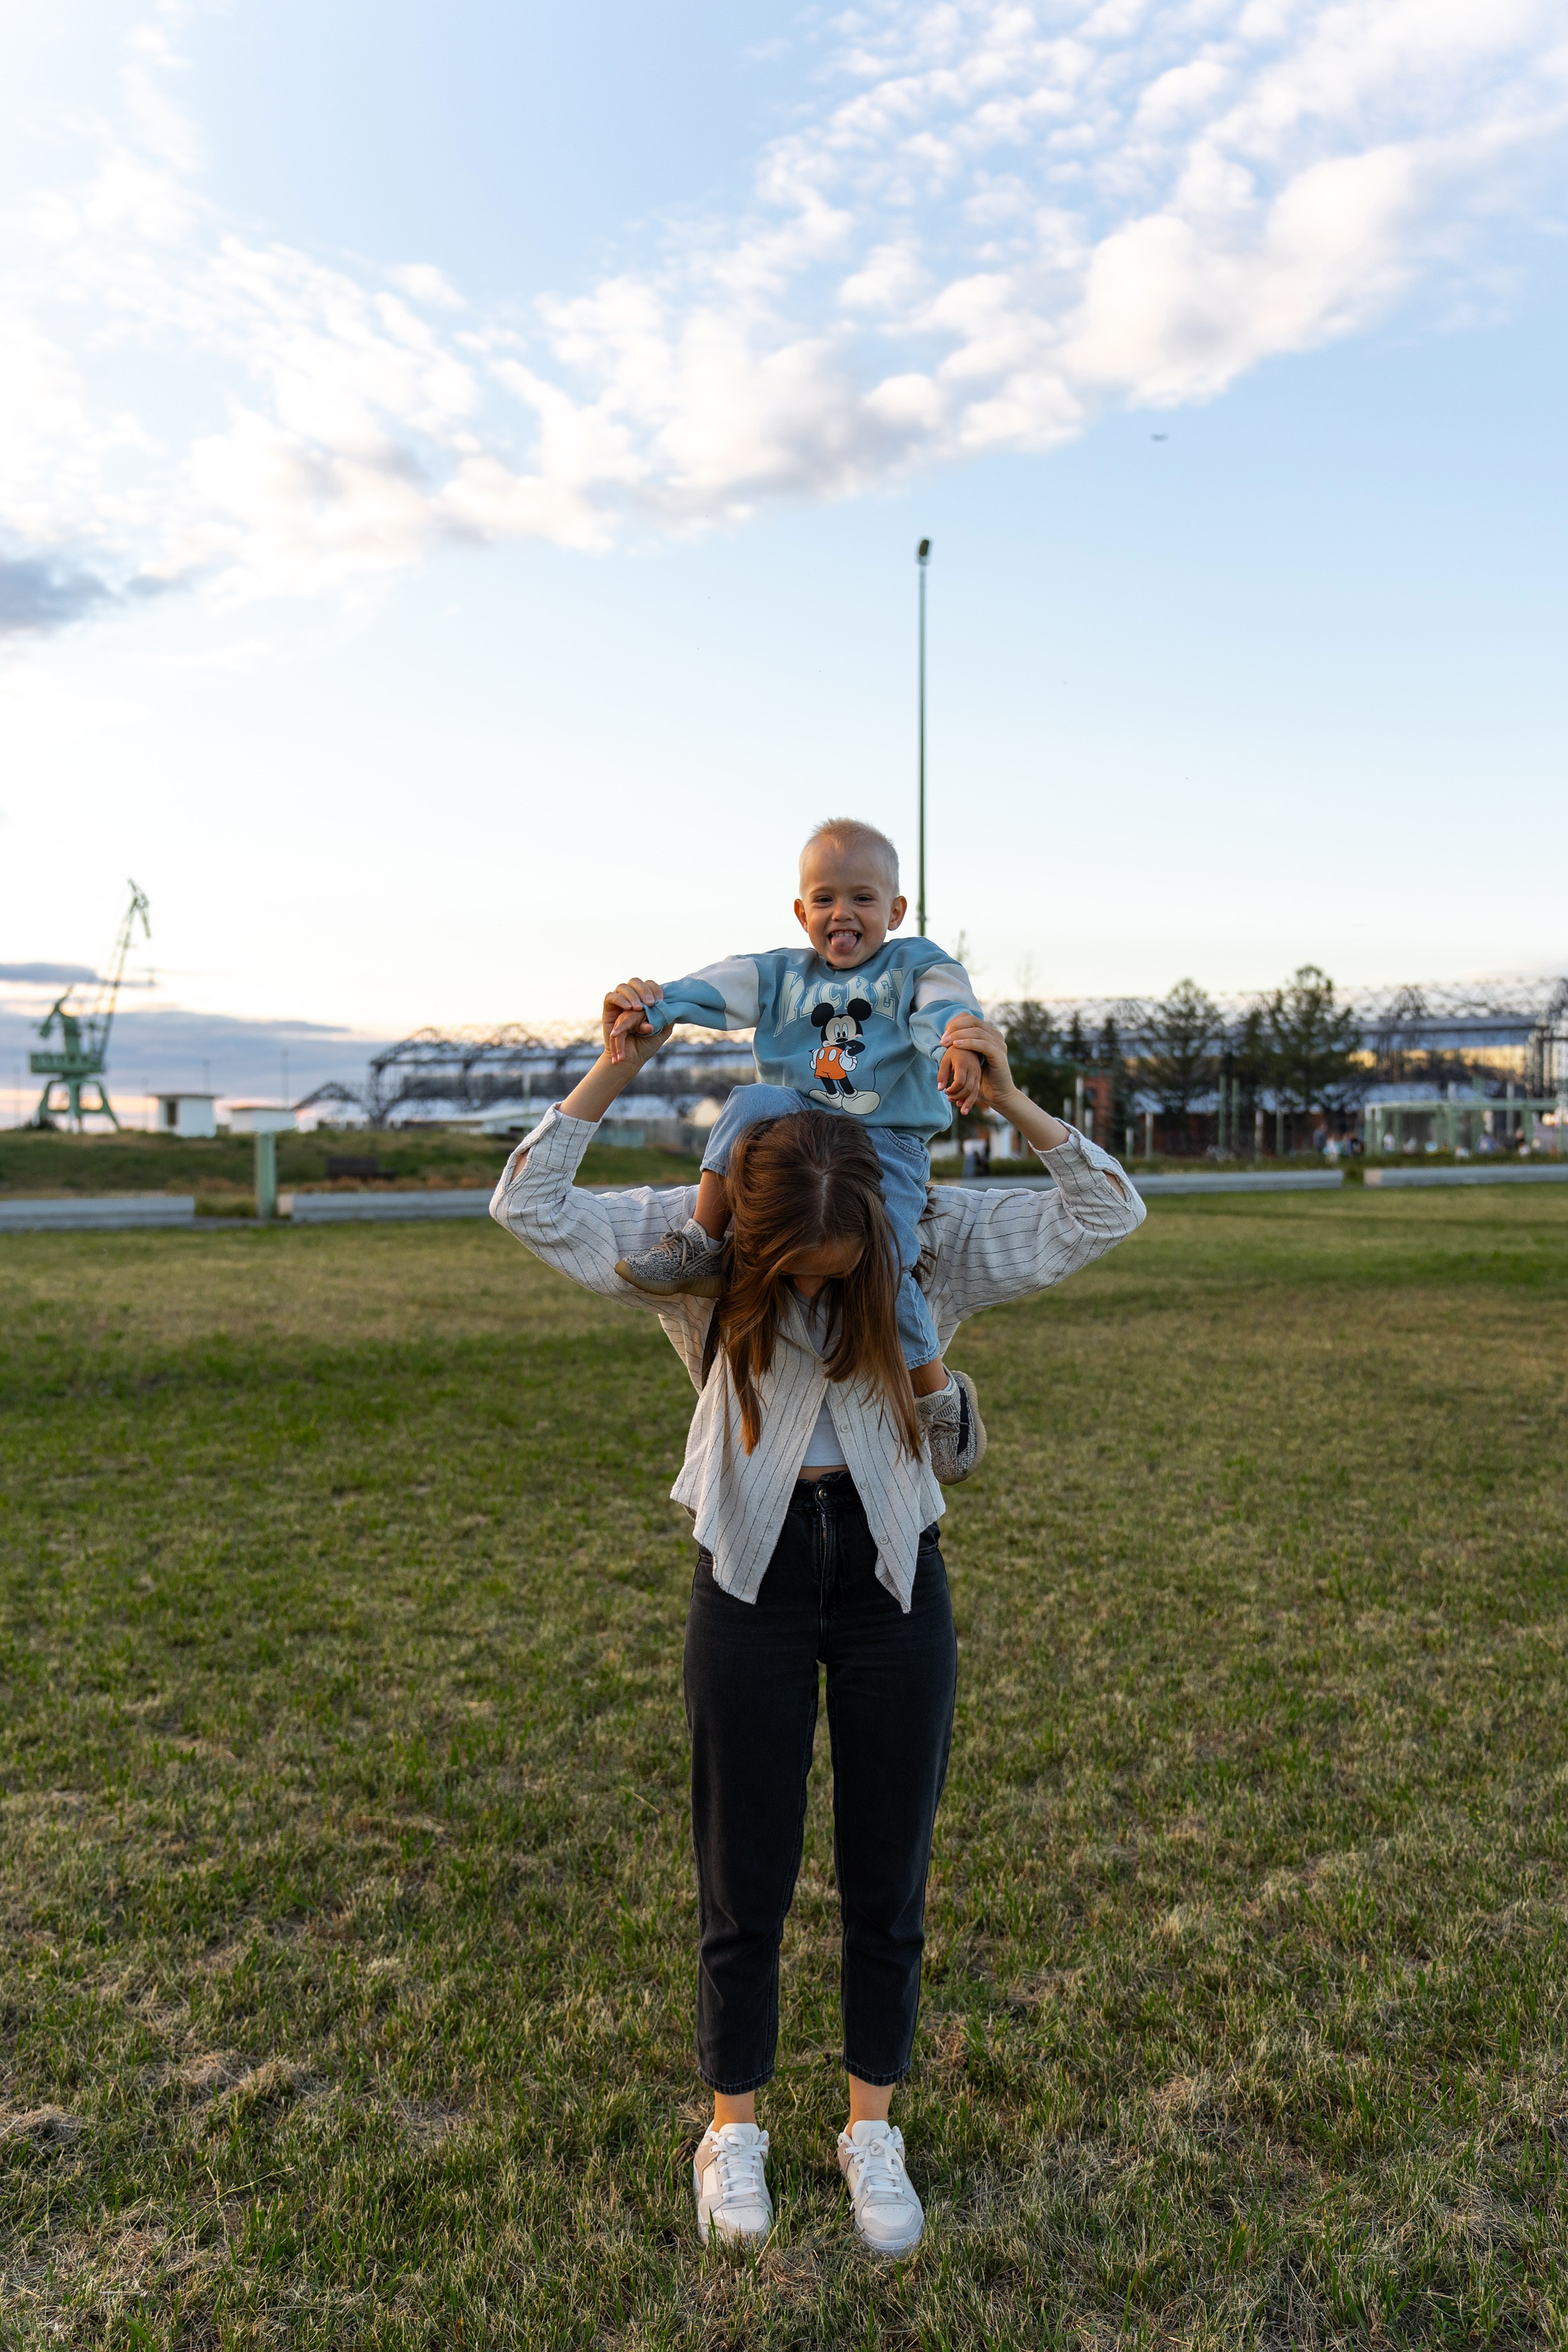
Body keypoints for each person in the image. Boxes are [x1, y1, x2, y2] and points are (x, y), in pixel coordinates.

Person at [489, 997, 1145, 2258]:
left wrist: (1007, 1096)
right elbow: (528, 1204)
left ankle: (869, 2129)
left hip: (895, 1572)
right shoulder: (698, 1239)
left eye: (837, 1272)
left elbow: (1105, 1211)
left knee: (886, 1876)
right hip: (749, 1569)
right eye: (791, 1268)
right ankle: (731, 2130)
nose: (810, 1287)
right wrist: (613, 1070)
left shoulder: (925, 1233)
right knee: (743, 1874)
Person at [603, 818, 988, 1481]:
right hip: (798, 1131)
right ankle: (702, 1242)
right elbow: (713, 987)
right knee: (752, 1099)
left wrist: (958, 1041)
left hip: (884, 1143)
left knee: (886, 1261)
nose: (843, 912)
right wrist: (652, 1006)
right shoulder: (780, 974)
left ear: (895, 910)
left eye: (863, 898)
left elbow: (943, 1003)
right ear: (801, 911)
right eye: (825, 898)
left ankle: (936, 1391)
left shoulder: (914, 964)